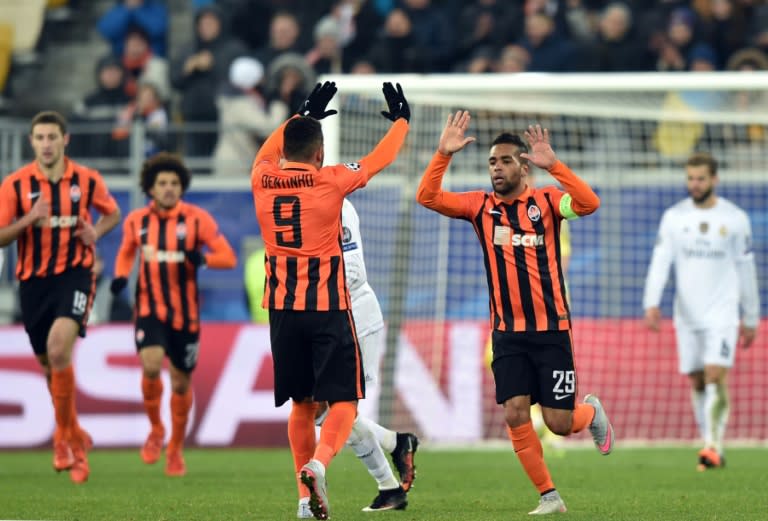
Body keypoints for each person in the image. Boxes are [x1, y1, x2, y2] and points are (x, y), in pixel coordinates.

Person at [416, 111, 614, 515]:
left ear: (523, 166)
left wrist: (555, 165)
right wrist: (442, 154)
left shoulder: (546, 202)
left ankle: (591, 413)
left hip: (552, 331)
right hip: (507, 334)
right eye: (492, 162)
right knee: (515, 412)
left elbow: (589, 203)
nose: (497, 168)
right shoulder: (479, 206)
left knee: (560, 422)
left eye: (505, 160)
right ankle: (548, 496)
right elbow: (428, 197)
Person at [251, 80, 410, 520]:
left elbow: (270, 149)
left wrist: (303, 114)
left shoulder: (261, 177)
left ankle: (304, 502)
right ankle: (318, 464)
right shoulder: (331, 180)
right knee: (344, 403)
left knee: (302, 405)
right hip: (328, 307)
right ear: (319, 154)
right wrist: (401, 122)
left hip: (283, 310)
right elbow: (381, 160)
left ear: (285, 150)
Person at [0, 110, 122, 484]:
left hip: (75, 275)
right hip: (34, 283)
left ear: (65, 140)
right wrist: (28, 220)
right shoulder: (16, 184)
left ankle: (62, 439)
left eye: (53, 137)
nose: (47, 144)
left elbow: (112, 213)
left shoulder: (85, 180)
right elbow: (2, 235)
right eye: (40, 138)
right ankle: (74, 435)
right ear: (32, 142)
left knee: (57, 350)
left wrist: (95, 233)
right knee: (48, 364)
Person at [110, 152, 237, 477]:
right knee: (151, 366)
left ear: (182, 188)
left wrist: (203, 259)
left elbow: (227, 256)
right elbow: (125, 252)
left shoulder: (197, 220)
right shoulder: (136, 221)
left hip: (186, 316)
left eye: (174, 183)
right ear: (150, 188)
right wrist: (122, 276)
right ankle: (155, 430)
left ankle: (176, 449)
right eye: (162, 183)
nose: (168, 188)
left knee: (181, 383)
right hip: (150, 309)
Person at [643, 151, 759, 471]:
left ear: (715, 179)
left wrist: (750, 316)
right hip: (687, 315)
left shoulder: (734, 219)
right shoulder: (674, 218)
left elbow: (746, 269)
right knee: (696, 381)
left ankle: (713, 445)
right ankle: (708, 438)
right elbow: (660, 263)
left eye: (701, 178)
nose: (694, 184)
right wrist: (651, 302)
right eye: (690, 178)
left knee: (714, 375)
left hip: (722, 313)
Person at [311, 198, 418, 514]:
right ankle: (396, 444)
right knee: (317, 409)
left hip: (353, 316)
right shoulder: (292, 206)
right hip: (322, 320)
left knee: (341, 405)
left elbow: (353, 270)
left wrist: (307, 288)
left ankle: (389, 486)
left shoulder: (336, 205)